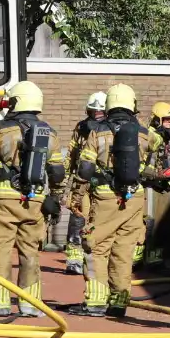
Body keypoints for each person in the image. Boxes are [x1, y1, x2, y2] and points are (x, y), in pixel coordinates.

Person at [0, 81, 66, 317]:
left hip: (5, 197)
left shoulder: (1, 129)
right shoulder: (50, 134)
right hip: (35, 200)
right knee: (30, 250)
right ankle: (30, 304)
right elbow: (58, 171)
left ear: (14, 102)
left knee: (1, 248)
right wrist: (56, 198)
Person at [68, 83, 162, 318]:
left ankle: (96, 301)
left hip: (105, 197)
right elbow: (158, 149)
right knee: (123, 250)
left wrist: (77, 196)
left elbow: (86, 166)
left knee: (97, 248)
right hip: (134, 197)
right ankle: (119, 302)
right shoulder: (144, 133)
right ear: (132, 105)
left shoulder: (97, 132)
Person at [63, 91, 108, 275]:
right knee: (77, 218)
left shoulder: (109, 129)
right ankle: (74, 259)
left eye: (99, 112)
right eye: (93, 111)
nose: (96, 115)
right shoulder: (80, 128)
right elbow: (72, 154)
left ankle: (94, 257)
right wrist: (64, 181)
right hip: (82, 181)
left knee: (99, 220)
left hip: (103, 183)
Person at [135, 101, 170, 270]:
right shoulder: (148, 136)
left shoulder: (168, 136)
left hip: (165, 186)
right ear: (157, 119)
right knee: (148, 223)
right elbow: (142, 164)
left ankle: (156, 260)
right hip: (151, 186)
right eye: (167, 118)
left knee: (162, 224)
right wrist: (157, 174)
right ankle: (139, 260)